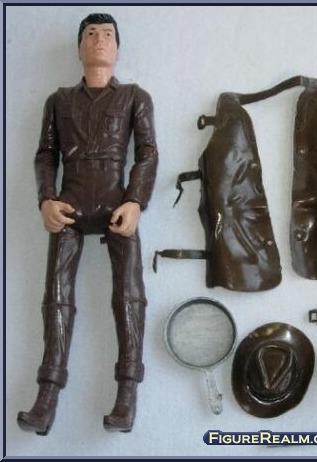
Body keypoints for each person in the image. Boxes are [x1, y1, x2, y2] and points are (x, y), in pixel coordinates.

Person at [17, 13, 158, 435]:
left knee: (129, 294)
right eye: (91, 34)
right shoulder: (59, 100)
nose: (99, 40)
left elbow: (148, 153)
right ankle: (47, 395)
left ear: (117, 48)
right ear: (79, 47)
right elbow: (46, 155)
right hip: (71, 204)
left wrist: (135, 201)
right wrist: (46, 199)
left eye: (107, 35)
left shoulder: (134, 96)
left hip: (117, 205)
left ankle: (127, 394)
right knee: (56, 296)